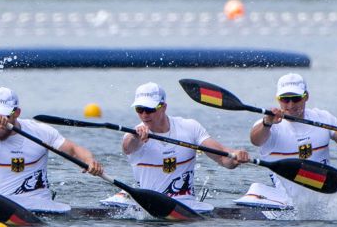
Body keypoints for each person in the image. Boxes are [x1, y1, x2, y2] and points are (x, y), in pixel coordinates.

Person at [103, 82, 251, 213]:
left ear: (163, 107)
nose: (144, 114)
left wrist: (236, 156)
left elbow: (222, 158)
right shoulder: (133, 136)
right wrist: (135, 136)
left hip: (185, 205)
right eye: (139, 109)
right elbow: (127, 147)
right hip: (148, 205)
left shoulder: (189, 127)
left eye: (149, 109)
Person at [237, 73, 337, 211]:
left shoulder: (323, 119)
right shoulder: (268, 124)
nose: (290, 105)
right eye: (285, 99)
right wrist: (267, 122)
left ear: (306, 96)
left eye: (296, 99)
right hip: (286, 199)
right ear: (278, 99)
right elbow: (255, 140)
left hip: (323, 193)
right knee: (255, 188)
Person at [0, 86, 104, 213]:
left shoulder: (40, 131)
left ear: (17, 113)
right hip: (0, 204)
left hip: (40, 205)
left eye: (5, 116)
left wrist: (89, 161)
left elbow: (73, 149)